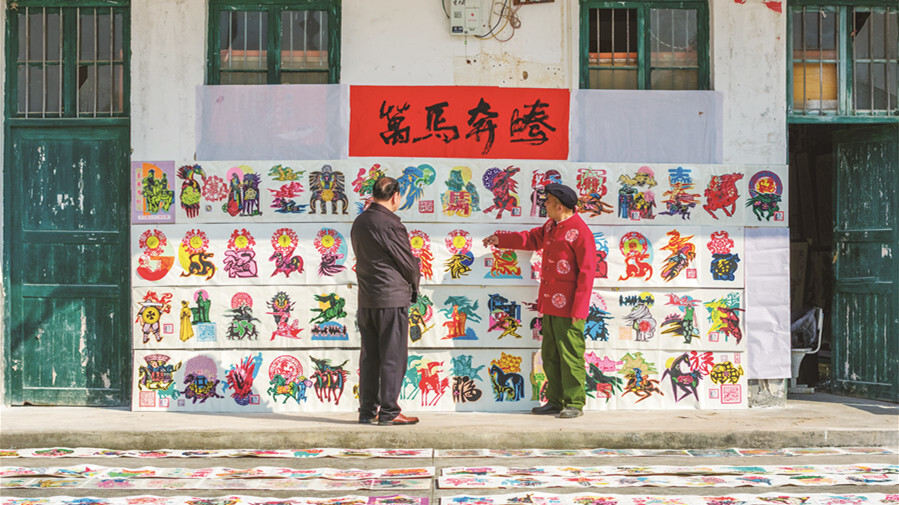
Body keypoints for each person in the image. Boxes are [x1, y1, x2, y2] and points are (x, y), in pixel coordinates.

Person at [483, 183, 596, 418]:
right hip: (550, 304)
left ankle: (574, 402)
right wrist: (500, 239)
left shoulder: (580, 232)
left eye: (547, 202)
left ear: (559, 205)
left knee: (571, 354)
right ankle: (555, 400)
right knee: (551, 353)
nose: (544, 205)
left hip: (570, 307)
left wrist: (580, 309)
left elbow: (587, 272)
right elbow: (531, 239)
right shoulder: (551, 227)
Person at [351, 177, 421, 426]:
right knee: (393, 356)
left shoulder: (361, 221)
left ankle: (367, 410)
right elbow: (406, 261)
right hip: (390, 297)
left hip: (367, 298)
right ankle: (390, 411)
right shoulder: (389, 223)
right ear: (395, 196)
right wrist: (415, 282)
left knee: (370, 356)